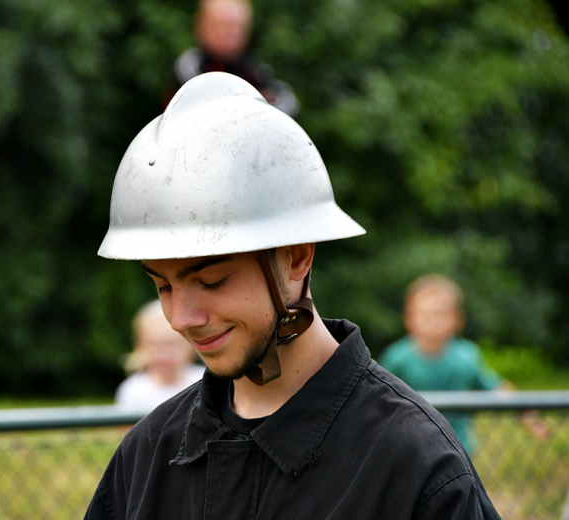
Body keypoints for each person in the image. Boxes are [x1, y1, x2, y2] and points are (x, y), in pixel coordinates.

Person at [86, 72, 499, 519]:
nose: (181, 318)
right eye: (163, 286)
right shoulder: (145, 457)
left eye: (212, 281)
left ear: (297, 258)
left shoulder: (415, 466)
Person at [380, 274, 548, 454]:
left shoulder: (467, 355)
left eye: (439, 314)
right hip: (410, 450)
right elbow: (377, 399)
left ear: (457, 319)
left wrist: (529, 417)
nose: (432, 322)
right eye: (424, 314)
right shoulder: (396, 358)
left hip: (458, 451)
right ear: (409, 318)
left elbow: (496, 388)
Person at [162, 0, 299, 116]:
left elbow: (286, 101)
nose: (229, 33)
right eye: (221, 25)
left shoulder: (254, 70)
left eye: (236, 27)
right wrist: (254, 103)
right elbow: (199, 99)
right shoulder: (190, 65)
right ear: (201, 26)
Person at [115, 300, 205, 410]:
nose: (163, 354)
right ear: (140, 346)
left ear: (190, 345)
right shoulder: (133, 390)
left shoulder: (205, 382)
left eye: (170, 344)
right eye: (154, 345)